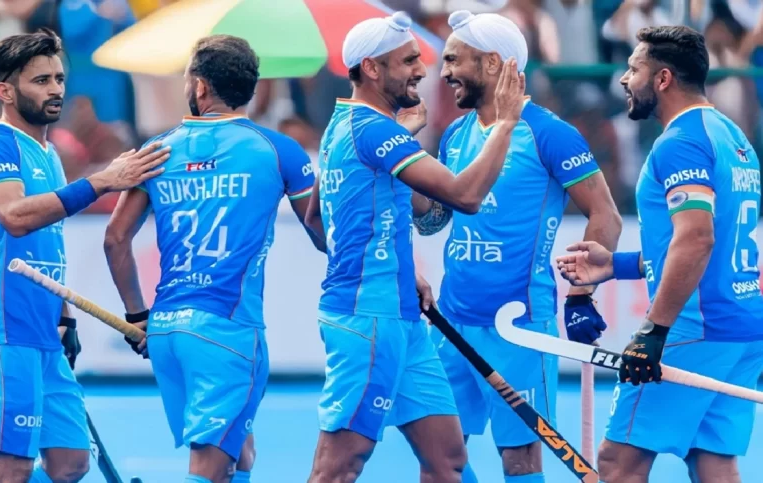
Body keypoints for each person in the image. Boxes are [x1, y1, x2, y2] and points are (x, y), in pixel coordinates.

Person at [304, 11, 526, 483]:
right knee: (338, 466)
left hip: (398, 318)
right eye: (407, 61)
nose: (423, 70)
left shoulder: (342, 124)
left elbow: (316, 219)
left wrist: (397, 268)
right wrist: (505, 125)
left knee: (447, 462)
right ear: (371, 68)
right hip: (370, 320)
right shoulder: (375, 130)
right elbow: (465, 196)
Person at [411, 11, 622, 483]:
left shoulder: (549, 133)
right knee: (439, 460)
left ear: (492, 63)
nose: (443, 72)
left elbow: (606, 215)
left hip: (519, 329)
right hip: (452, 324)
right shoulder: (456, 134)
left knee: (521, 462)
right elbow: (435, 220)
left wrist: (581, 294)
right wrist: (403, 166)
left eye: (454, 59)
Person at [103, 35, 324, 483]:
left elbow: (115, 239)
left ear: (200, 86)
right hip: (227, 331)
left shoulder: (157, 150)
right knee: (209, 466)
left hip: (167, 330)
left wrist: (138, 315)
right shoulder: (279, 150)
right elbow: (324, 237)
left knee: (240, 450)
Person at [0, 29, 170, 483]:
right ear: (5, 91)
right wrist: (102, 181)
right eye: (40, 81)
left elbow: (45, 249)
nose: (55, 89)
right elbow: (15, 216)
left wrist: (65, 316)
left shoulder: (49, 154)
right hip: (2, 333)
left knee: (71, 462)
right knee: (9, 469)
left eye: (58, 78)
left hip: (44, 333)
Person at [556, 25, 763, 483]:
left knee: (618, 463)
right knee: (713, 463)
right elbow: (702, 244)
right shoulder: (733, 136)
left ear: (663, 78)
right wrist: (616, 265)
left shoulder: (680, 143)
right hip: (743, 328)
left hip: (695, 330)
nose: (624, 79)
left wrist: (654, 331)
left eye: (634, 69)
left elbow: (697, 239)